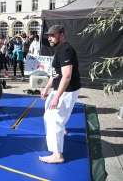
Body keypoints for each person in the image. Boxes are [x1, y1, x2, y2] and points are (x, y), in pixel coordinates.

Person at [39, 25, 81, 164]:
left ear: (61, 35)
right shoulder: (59, 50)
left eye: (52, 35)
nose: (49, 38)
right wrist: (46, 89)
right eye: (48, 35)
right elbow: (55, 74)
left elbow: (67, 76)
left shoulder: (66, 51)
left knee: (55, 119)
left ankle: (57, 155)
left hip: (67, 90)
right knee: (49, 114)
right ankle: (60, 132)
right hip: (59, 89)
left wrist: (56, 97)